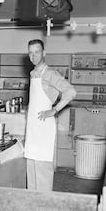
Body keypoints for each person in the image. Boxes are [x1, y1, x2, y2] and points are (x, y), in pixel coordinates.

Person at [24, 39, 76, 192]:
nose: (33, 56)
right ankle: (32, 203)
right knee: (31, 168)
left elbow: (71, 92)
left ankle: (44, 204)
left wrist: (54, 110)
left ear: (44, 53)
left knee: (43, 170)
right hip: (33, 127)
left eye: (37, 52)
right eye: (30, 52)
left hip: (44, 128)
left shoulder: (49, 73)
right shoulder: (33, 73)